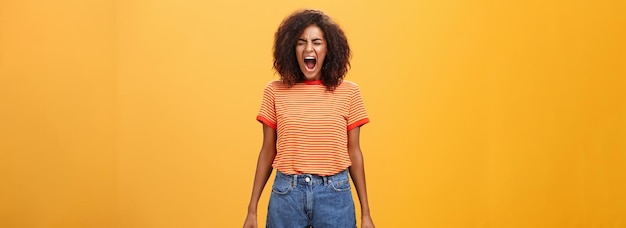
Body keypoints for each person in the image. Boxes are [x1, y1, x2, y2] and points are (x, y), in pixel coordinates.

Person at [243, 9, 375, 228]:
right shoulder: (274, 91)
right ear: (291, 49)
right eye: (301, 42)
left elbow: (355, 152)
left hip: (336, 194)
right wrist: (252, 208)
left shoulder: (349, 92)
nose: (309, 48)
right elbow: (267, 150)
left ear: (328, 48)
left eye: (317, 42)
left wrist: (366, 213)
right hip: (287, 196)